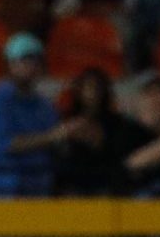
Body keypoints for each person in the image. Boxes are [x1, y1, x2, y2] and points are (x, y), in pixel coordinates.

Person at [0, 33, 61, 197]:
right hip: (2, 190)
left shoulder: (45, 106)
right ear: (10, 64)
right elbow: (6, 144)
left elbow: (56, 142)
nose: (31, 65)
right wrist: (53, 137)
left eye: (36, 60)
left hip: (38, 189)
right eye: (25, 59)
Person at [54, 67, 151, 195]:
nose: (93, 92)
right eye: (88, 87)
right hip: (74, 186)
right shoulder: (67, 121)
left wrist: (99, 142)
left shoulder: (118, 124)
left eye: (97, 87)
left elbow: (124, 159)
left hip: (108, 186)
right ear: (78, 90)